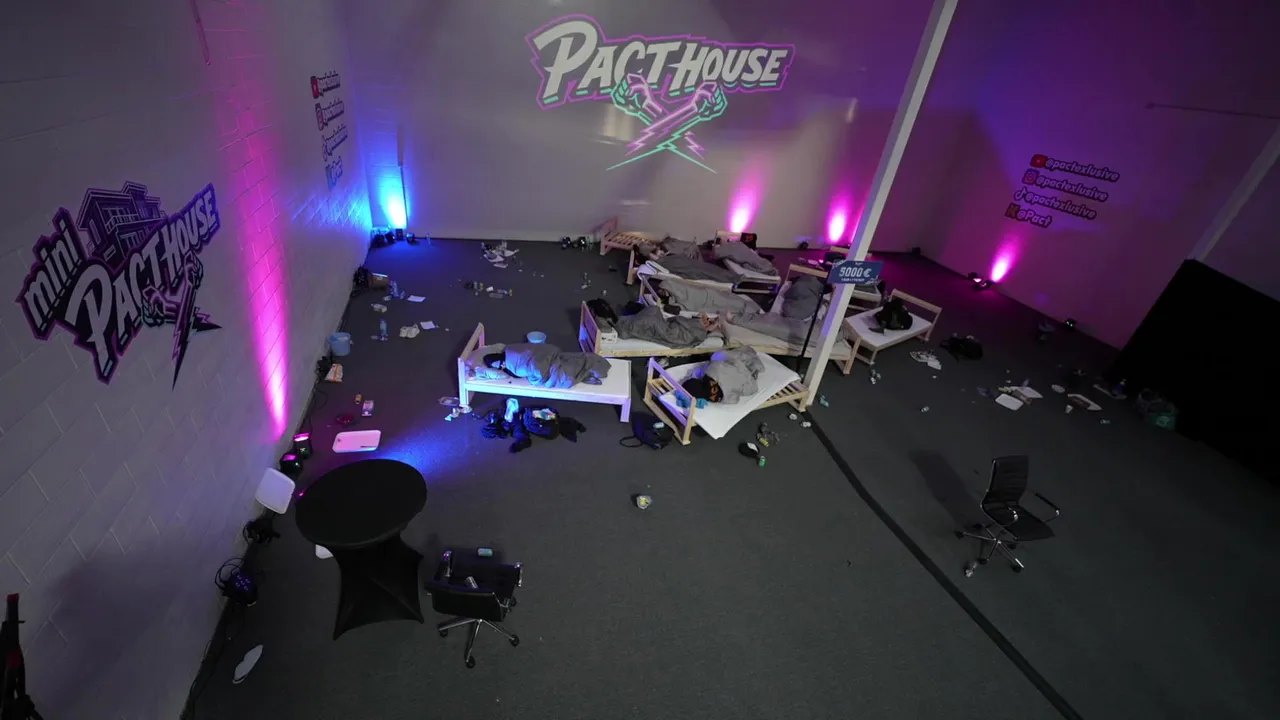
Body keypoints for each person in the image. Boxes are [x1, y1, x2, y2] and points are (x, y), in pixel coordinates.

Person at [679, 347, 764, 405]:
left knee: (721, 357)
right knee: (718, 356)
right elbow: (752, 388)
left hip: (741, 372)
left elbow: (735, 399)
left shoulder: (717, 398)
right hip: (737, 368)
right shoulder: (707, 373)